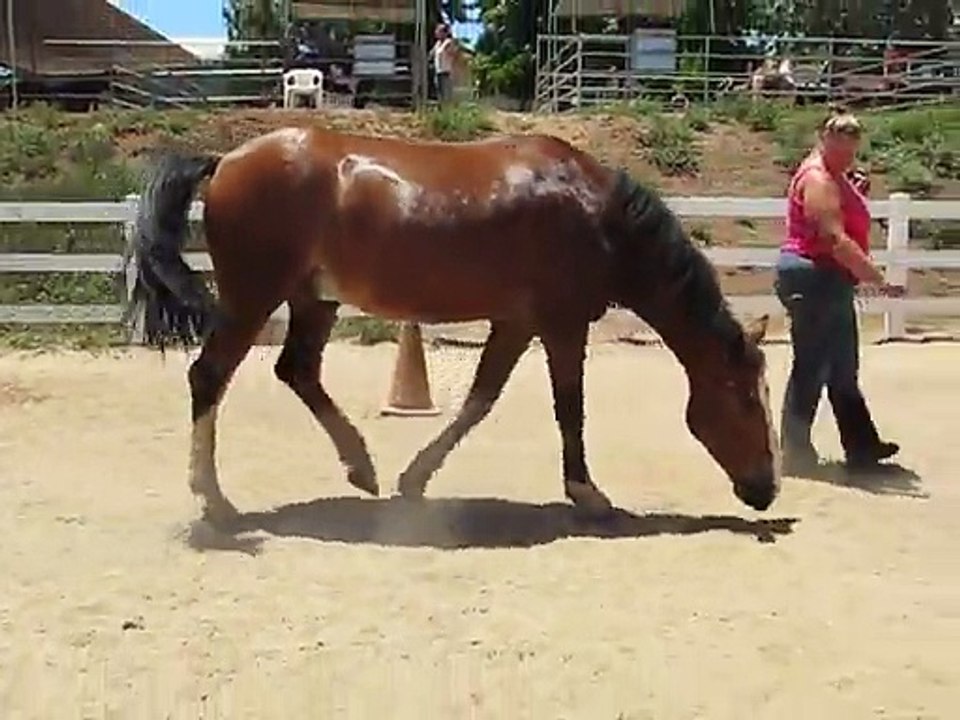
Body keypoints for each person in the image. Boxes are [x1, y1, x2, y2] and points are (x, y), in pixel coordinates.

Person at [776, 108, 903, 476]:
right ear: (824, 140)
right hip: (816, 276)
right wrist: (876, 279)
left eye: (852, 150)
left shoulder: (833, 175)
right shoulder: (818, 178)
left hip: (828, 278)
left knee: (842, 366)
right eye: (841, 149)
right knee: (813, 365)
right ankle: (794, 451)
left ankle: (861, 444)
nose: (848, 157)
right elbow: (833, 238)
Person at [428, 23, 457, 106]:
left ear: (444, 33)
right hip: (438, 71)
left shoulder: (448, 43)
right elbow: (431, 54)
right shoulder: (437, 44)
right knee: (439, 93)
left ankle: (448, 111)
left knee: (446, 94)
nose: (436, 33)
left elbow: (453, 53)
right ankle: (443, 111)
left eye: (439, 31)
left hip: (446, 72)